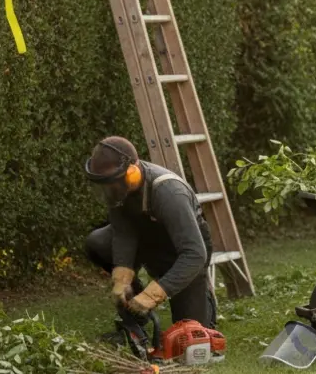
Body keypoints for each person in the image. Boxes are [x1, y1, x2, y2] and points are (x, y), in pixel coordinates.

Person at [83, 136, 217, 328]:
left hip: (184, 251)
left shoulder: (169, 193)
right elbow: (123, 232)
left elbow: (195, 254)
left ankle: (203, 297)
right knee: (98, 242)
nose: (107, 190)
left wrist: (152, 295)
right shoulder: (119, 188)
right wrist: (122, 279)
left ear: (132, 173)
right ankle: (135, 317)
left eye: (109, 183)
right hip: (149, 240)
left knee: (190, 334)